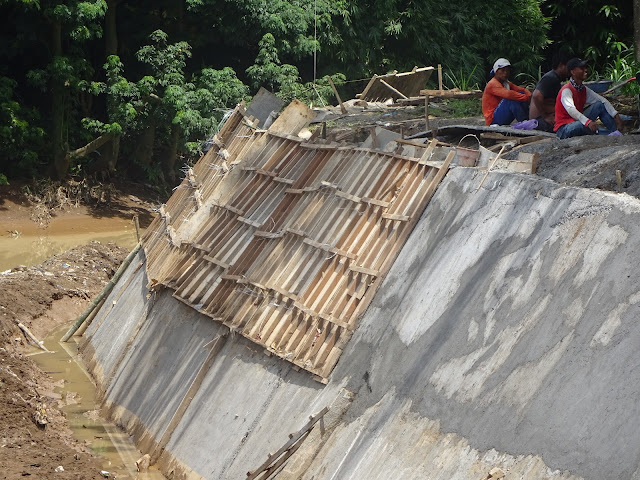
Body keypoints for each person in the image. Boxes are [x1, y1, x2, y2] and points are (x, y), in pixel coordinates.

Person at [555, 58, 623, 139]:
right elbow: (571, 110)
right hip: (564, 129)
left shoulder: (583, 89)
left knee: (599, 105)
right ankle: (609, 135)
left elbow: (601, 100)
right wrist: (587, 122)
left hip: (576, 122)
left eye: (585, 67)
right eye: (581, 68)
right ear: (573, 72)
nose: (586, 70)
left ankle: (614, 131)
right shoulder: (566, 90)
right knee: (581, 125)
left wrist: (615, 115)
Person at [529, 51, 571, 132]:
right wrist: (545, 116)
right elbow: (536, 95)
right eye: (568, 67)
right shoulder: (551, 78)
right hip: (539, 121)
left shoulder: (555, 78)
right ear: (561, 65)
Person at [482, 58, 532, 126]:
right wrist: (527, 98)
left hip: (501, 114)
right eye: (502, 71)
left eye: (507, 71)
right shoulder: (492, 84)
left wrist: (527, 93)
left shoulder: (505, 83)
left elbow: (520, 89)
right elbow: (508, 94)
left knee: (520, 95)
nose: (505, 73)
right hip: (492, 120)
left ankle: (528, 119)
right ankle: (525, 122)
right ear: (496, 71)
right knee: (511, 99)